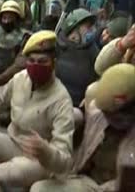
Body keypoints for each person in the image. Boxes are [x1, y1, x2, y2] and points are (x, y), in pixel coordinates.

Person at [0, 31, 74, 191]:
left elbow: (65, 162)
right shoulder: (21, 78)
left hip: (37, 160)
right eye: (31, 60)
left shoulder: (61, 99)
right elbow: (0, 97)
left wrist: (46, 150)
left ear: (54, 63)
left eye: (42, 61)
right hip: (12, 142)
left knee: (13, 171)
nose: (36, 66)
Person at [30, 63, 135, 192]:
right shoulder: (98, 116)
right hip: (86, 179)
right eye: (105, 113)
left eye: (111, 114)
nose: (106, 117)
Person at [56, 8, 100, 123]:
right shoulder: (56, 46)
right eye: (88, 27)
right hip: (54, 102)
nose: (92, 30)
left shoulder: (93, 50)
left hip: (78, 107)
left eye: (92, 27)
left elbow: (101, 76)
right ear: (74, 30)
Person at [0, 0, 27, 88]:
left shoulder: (24, 37)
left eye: (10, 18)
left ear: (17, 19)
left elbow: (19, 65)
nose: (6, 21)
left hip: (13, 82)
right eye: (4, 18)